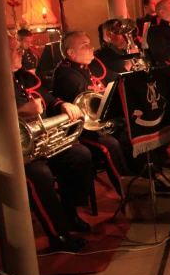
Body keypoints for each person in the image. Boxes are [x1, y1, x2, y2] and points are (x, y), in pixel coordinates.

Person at [10, 36, 93, 253]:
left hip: (41, 141)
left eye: (19, 48)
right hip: (14, 152)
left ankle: (69, 212)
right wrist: (21, 112)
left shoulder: (23, 77)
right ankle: (58, 235)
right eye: (14, 49)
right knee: (40, 175)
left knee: (80, 155)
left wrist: (62, 104)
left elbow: (47, 97)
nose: (21, 52)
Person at [51, 30, 130, 196]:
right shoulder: (65, 73)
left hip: (103, 120)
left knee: (131, 130)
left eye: (90, 43)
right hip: (82, 129)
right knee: (110, 145)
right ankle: (127, 192)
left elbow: (115, 77)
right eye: (85, 45)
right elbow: (87, 97)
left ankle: (139, 178)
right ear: (71, 53)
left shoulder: (91, 65)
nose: (91, 48)